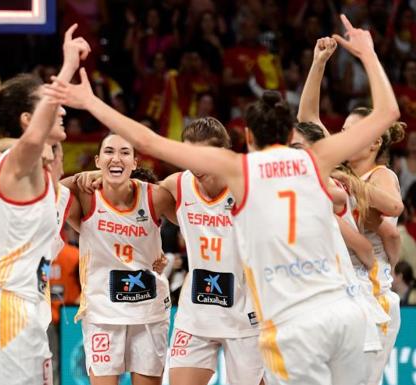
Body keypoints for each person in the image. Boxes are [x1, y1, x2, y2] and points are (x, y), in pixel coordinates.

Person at [45, 15, 400, 385]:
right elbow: (387, 114)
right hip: (343, 308)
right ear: (291, 135)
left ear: (246, 138)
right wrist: (369, 55)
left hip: (290, 317)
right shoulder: (316, 162)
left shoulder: (241, 171)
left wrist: (89, 101)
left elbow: (148, 142)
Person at [0, 24, 87, 385]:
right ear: (29, 120)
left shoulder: (24, 172)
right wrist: (68, 65)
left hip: (4, 300)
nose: (60, 108)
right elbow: (19, 140)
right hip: (4, 303)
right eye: (48, 102)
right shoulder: (17, 162)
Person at [297, 35, 405, 385]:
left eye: (350, 132)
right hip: (336, 284)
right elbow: (308, 119)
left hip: (370, 287)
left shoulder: (381, 174)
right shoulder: (340, 165)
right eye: (341, 131)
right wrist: (318, 64)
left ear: (373, 140)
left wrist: (348, 181)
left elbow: (393, 207)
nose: (341, 138)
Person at [61, 133, 175, 385]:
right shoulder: (86, 197)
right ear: (98, 159)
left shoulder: (155, 196)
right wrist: (86, 176)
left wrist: (163, 257)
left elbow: (190, 219)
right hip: (103, 313)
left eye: (125, 152)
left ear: (135, 162)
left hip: (149, 310)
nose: (117, 157)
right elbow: (53, 190)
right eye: (109, 152)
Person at [159, 117, 265, 385]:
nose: (194, 164)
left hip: (246, 313)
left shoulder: (248, 185)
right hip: (196, 312)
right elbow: (135, 195)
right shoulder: (176, 184)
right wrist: (94, 175)